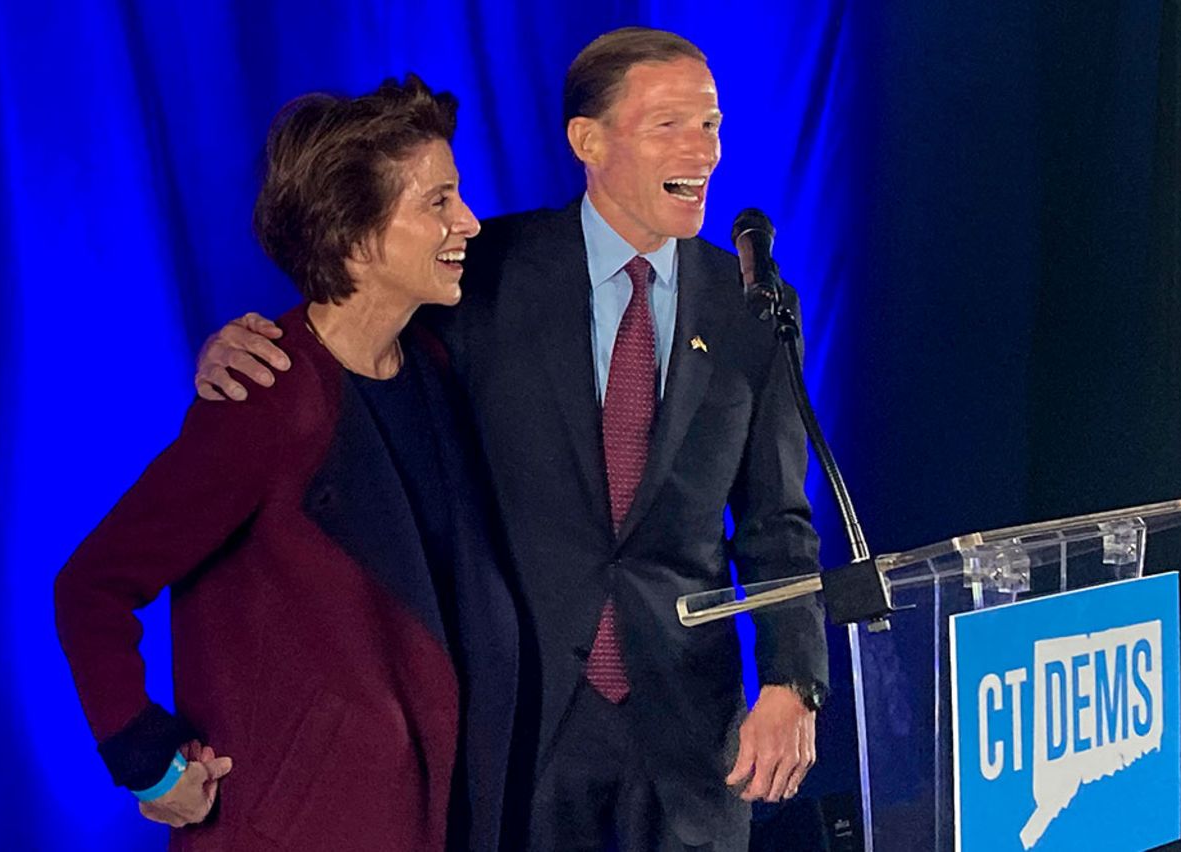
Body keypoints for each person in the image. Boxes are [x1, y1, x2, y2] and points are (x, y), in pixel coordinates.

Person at [197, 28, 828, 851]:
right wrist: (246, 346)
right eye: (671, 124)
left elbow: (778, 519)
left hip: (687, 735)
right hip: (519, 729)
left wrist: (792, 681)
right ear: (587, 141)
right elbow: (353, 326)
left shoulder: (750, 305)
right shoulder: (479, 272)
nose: (702, 149)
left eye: (710, 124)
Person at [55, 75, 518, 852]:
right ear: (354, 235)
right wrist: (148, 762)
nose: (468, 221)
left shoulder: (434, 366)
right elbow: (91, 586)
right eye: (438, 202)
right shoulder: (262, 399)